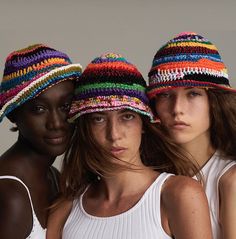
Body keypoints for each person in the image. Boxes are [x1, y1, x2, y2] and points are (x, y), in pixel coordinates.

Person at [46, 53, 212, 239]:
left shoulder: (178, 194)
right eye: (99, 119)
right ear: (85, 128)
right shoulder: (66, 208)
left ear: (143, 124)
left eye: (127, 117)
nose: (114, 135)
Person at [147, 32, 236, 239]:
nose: (177, 109)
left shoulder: (230, 180)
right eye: (165, 95)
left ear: (213, 101)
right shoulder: (146, 172)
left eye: (193, 93)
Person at [0, 44, 82, 239]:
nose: (56, 123)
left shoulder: (52, 175)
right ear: (13, 114)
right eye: (39, 109)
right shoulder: (11, 194)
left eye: (65, 106)